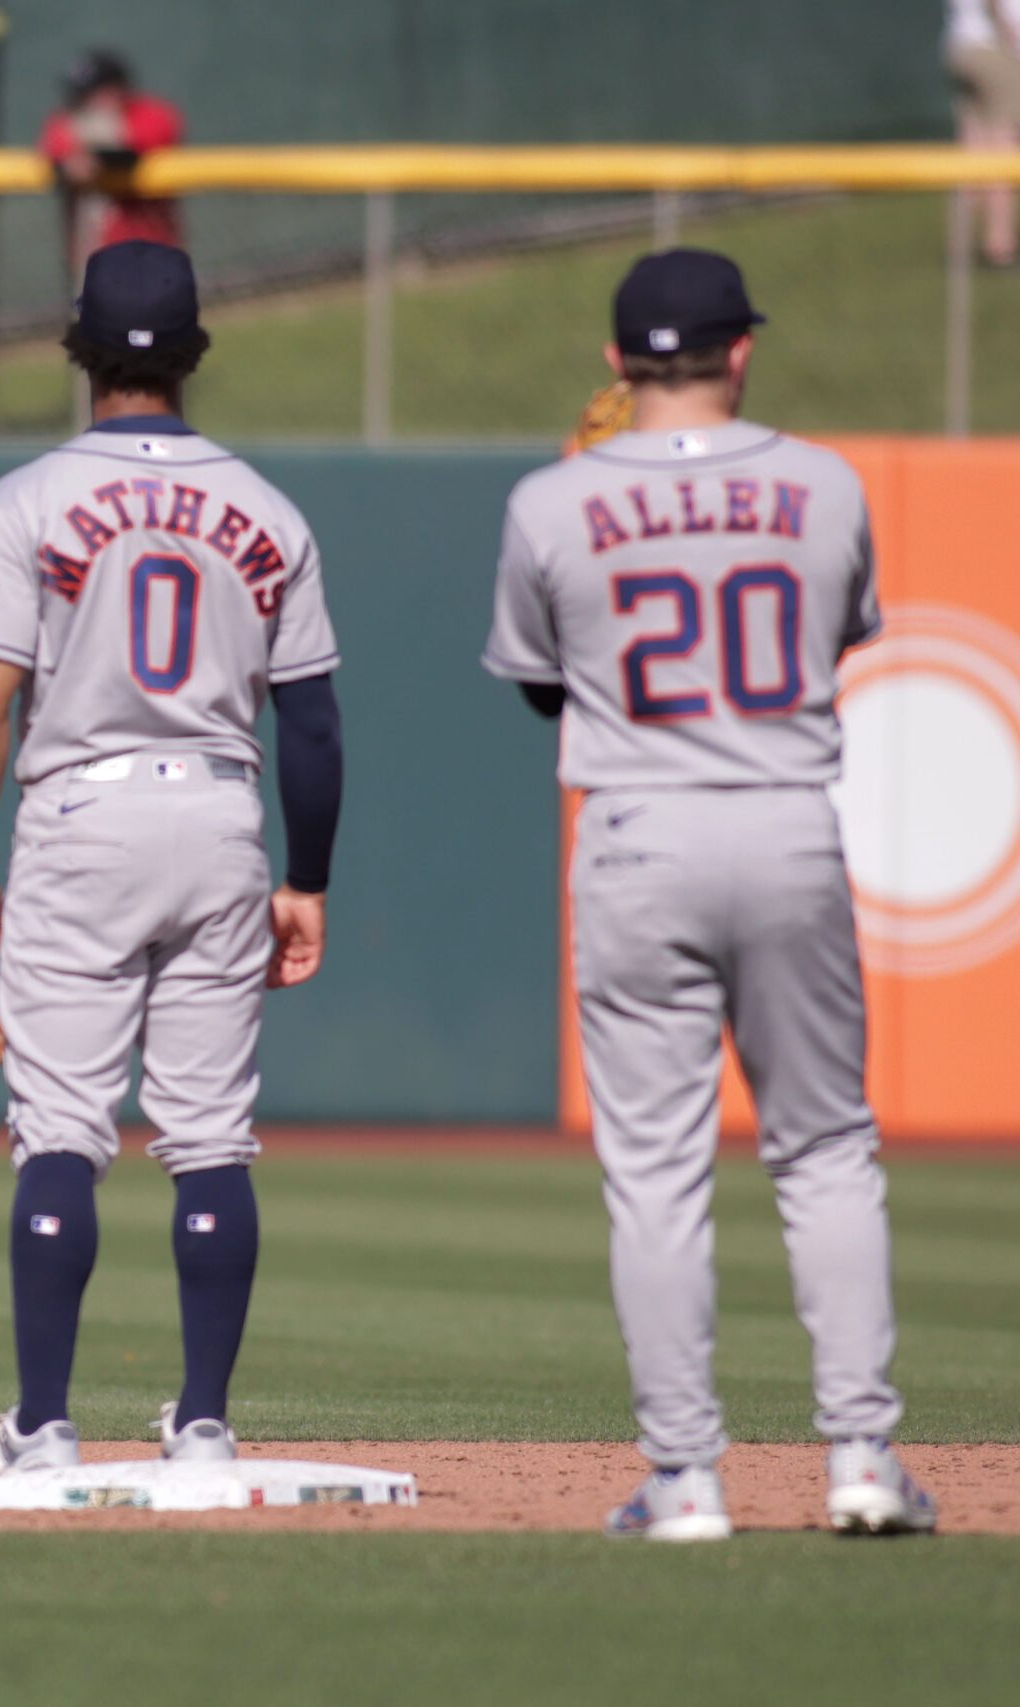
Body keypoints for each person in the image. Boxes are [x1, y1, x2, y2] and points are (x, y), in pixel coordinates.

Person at [482, 250, 936, 1540]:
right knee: (827, 1148)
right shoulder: (825, 483)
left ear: (618, 365)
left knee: (655, 1176)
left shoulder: (552, 501)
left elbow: (538, 683)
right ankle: (859, 1458)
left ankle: (684, 1479)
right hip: (786, 822)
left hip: (633, 832)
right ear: (739, 352)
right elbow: (833, 637)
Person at [0, 242, 343, 1503]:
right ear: (197, 351)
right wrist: (307, 879)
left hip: (82, 819)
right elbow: (314, 725)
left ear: (75, 349)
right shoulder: (270, 510)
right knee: (210, 1136)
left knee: (61, 1130)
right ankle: (206, 1425)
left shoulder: (27, 498)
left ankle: (46, 1425)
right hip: (221, 816)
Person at [40, 51, 186, 285]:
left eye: (99, 92)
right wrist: (74, 161)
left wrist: (96, 158)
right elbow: (55, 154)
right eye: (83, 95)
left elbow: (137, 148)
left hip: (151, 254)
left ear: (119, 88)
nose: (91, 102)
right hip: (92, 259)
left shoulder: (151, 114)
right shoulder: (67, 120)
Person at [946, 0, 1020, 267]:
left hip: (961, 46)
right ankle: (999, 244)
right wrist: (1010, 32)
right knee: (1003, 146)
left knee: (974, 150)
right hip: (994, 47)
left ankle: (958, 243)